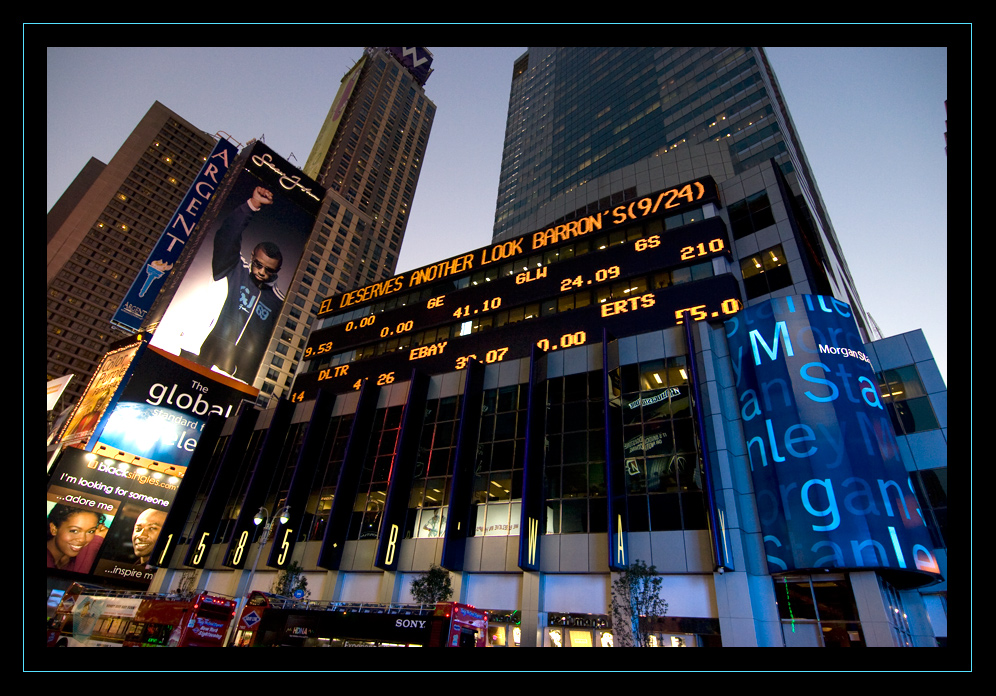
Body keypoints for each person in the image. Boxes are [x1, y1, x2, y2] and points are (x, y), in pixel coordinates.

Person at [192, 186, 282, 379]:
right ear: (252, 257)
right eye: (258, 265)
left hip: (235, 380)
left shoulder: (277, 302)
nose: (262, 272)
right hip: (201, 360)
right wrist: (252, 205)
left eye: (269, 270)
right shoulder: (233, 270)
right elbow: (227, 235)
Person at [46, 504, 106, 572]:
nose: (82, 539)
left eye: (91, 531)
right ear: (54, 529)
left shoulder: (73, 560)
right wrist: (96, 542)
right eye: (74, 531)